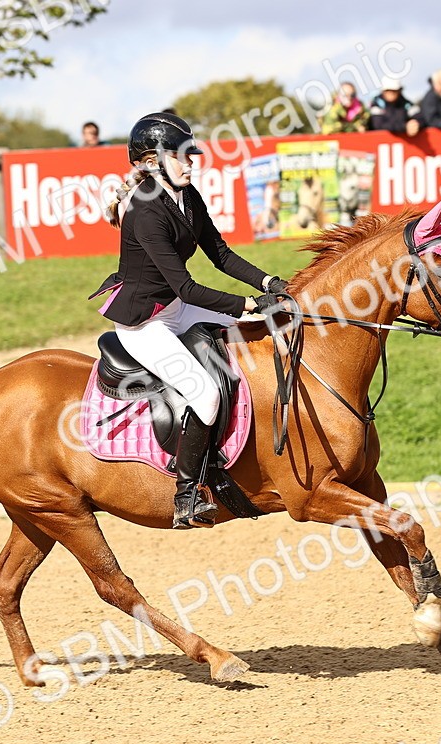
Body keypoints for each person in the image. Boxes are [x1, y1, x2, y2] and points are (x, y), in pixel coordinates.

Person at [92, 112, 289, 529]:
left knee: (260, 335)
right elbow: (187, 287)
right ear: (151, 161)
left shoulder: (187, 196)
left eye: (191, 155)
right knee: (204, 393)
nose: (191, 163)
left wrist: (271, 282)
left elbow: (220, 254)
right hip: (146, 325)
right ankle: (187, 494)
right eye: (181, 156)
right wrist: (247, 304)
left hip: (176, 311)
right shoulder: (145, 211)